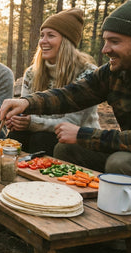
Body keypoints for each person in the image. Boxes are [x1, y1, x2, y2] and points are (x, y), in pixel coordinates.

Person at [0, 0, 131, 253]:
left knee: (119, 163)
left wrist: (84, 134)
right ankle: (78, 228)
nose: (105, 49)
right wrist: (26, 101)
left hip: (129, 155)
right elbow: (71, 94)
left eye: (114, 41)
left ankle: (121, 252)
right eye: (104, 41)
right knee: (66, 150)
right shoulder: (115, 73)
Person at [7, 8, 100, 156]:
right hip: (39, 133)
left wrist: (32, 123)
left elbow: (72, 122)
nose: (43, 41)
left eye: (51, 36)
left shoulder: (88, 73)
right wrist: (17, 120)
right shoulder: (32, 72)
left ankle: (40, 178)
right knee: (15, 137)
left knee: (42, 139)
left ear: (66, 41)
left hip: (77, 140)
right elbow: (27, 112)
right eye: (42, 35)